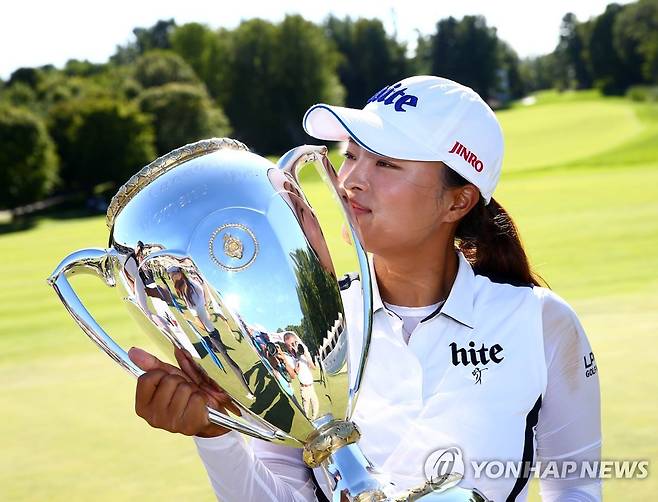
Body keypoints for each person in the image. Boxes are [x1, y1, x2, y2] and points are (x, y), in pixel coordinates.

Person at [127, 76, 601, 501]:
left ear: (458, 200)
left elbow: (576, 486)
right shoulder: (302, 326)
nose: (351, 180)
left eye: (386, 164)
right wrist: (218, 436)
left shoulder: (541, 322)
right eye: (351, 155)